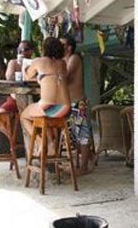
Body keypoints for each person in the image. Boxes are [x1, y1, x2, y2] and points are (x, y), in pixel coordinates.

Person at [20, 37, 71, 156]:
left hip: (49, 107)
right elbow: (52, 77)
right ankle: (52, 142)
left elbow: (27, 76)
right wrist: (40, 79)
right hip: (66, 108)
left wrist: (24, 67)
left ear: (44, 49)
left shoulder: (39, 61)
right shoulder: (63, 63)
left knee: (24, 116)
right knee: (44, 117)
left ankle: (41, 141)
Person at [60, 35, 95, 174]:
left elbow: (65, 77)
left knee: (82, 137)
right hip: (69, 104)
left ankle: (84, 167)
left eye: (62, 45)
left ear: (69, 47)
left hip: (78, 103)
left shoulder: (74, 58)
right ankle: (92, 157)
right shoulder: (62, 60)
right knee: (74, 137)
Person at [0, 40, 34, 114]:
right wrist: (21, 66)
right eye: (19, 50)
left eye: (24, 50)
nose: (21, 52)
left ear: (31, 51)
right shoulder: (13, 63)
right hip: (15, 96)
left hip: (32, 97)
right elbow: (9, 78)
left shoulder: (35, 63)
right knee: (0, 113)